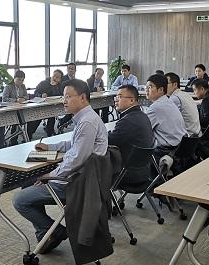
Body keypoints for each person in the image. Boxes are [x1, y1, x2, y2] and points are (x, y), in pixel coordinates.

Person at [12, 79, 108, 253]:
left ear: (82, 97)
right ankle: (45, 234)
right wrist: (50, 147)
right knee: (27, 184)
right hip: (82, 178)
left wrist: (51, 175)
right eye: (64, 97)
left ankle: (55, 231)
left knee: (19, 200)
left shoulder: (87, 122)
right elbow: (74, 144)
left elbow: (77, 159)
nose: (64, 101)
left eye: (68, 97)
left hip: (75, 183)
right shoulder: (86, 117)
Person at [108, 84, 154, 165]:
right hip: (144, 165)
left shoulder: (127, 121)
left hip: (129, 166)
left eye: (119, 97)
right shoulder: (142, 115)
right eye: (116, 97)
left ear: (131, 100)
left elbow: (109, 141)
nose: (116, 100)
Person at [145, 74, 186, 150]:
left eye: (150, 87)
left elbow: (142, 129)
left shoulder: (156, 107)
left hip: (166, 150)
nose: (146, 90)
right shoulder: (168, 101)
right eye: (146, 87)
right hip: (180, 146)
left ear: (161, 90)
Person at [27, 69, 64, 138]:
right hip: (40, 106)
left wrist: (54, 86)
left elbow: (61, 94)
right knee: (38, 119)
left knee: (52, 116)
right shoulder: (43, 83)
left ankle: (50, 133)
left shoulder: (60, 86)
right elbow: (35, 92)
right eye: (54, 76)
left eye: (57, 77)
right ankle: (29, 134)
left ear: (60, 79)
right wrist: (41, 95)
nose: (55, 78)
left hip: (53, 106)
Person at [165, 72, 200, 136]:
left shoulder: (175, 98)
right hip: (196, 134)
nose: (163, 87)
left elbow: (167, 120)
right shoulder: (185, 94)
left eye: (166, 84)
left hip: (187, 136)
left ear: (175, 84)